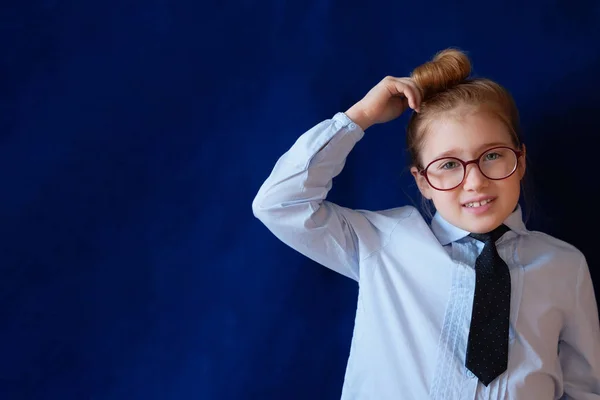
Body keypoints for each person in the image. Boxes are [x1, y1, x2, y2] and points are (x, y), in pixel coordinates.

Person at [251, 48, 600, 399]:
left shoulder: (565, 266)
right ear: (422, 181)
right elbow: (280, 204)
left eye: (492, 156)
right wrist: (359, 117)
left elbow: (584, 389)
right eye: (448, 165)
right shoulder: (384, 244)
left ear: (520, 161)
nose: (475, 182)